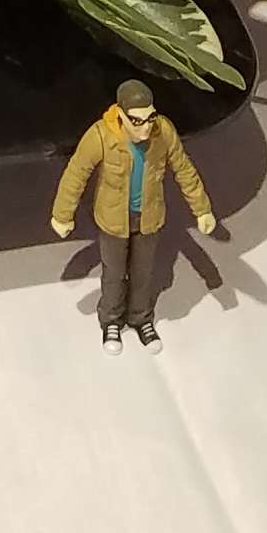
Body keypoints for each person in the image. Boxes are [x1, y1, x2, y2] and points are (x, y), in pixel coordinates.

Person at [50, 75, 217, 349]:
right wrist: (62, 214)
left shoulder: (163, 132)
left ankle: (141, 317)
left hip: (149, 217)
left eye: (150, 118)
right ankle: (111, 320)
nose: (146, 126)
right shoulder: (101, 135)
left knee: (144, 273)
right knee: (114, 273)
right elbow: (76, 173)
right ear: (121, 115)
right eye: (137, 120)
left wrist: (202, 209)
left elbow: (184, 169)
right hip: (113, 220)